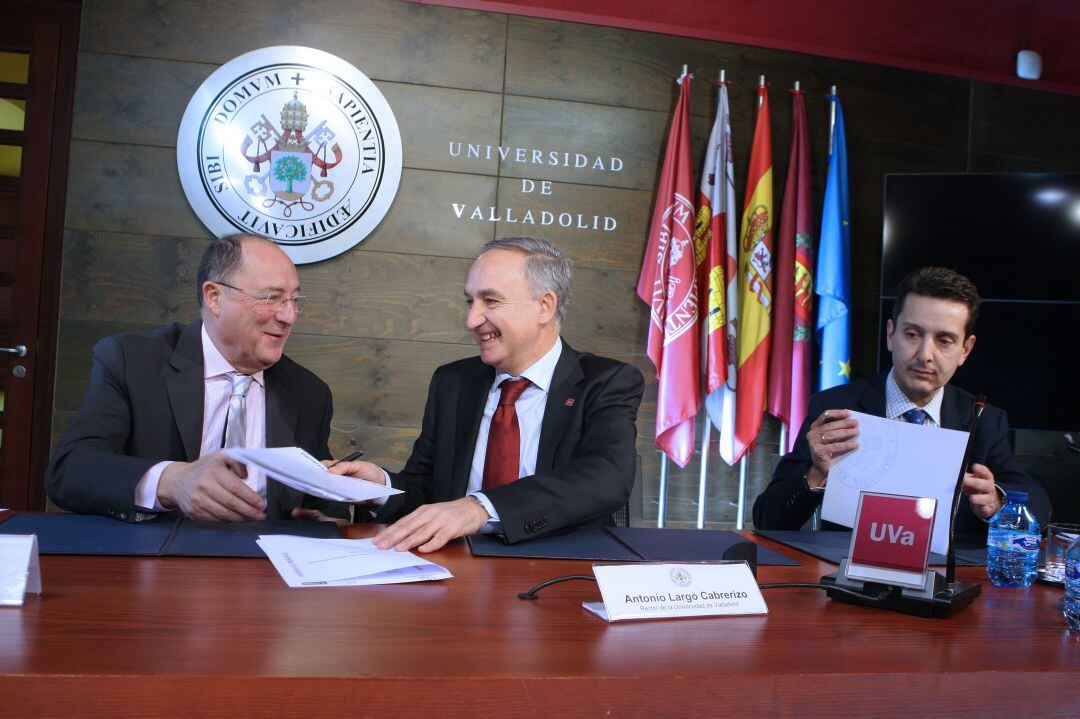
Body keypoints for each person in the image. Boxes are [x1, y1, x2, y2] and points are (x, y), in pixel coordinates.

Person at [337, 237, 644, 552]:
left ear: (544, 306)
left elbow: (607, 478)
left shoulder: (606, 381)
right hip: (457, 572)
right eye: (470, 301)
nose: (472, 320)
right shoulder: (453, 382)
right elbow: (427, 492)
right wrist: (380, 488)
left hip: (559, 568)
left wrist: (479, 508)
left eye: (491, 301)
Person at [46, 233, 347, 523]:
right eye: (272, 298)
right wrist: (171, 481)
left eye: (295, 300)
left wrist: (325, 518)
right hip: (156, 559)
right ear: (215, 297)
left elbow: (319, 497)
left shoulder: (309, 393)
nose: (289, 316)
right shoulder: (132, 361)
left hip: (263, 564)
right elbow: (69, 469)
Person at [753, 266, 1050, 535]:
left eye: (944, 340)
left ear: (965, 350)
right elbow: (768, 520)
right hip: (849, 581)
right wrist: (816, 472)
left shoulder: (983, 419)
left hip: (942, 583)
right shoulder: (837, 408)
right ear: (891, 334)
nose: (925, 354)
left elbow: (1037, 503)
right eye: (912, 334)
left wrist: (997, 502)